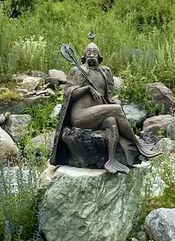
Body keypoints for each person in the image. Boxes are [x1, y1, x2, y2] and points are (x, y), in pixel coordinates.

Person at [50, 41, 156, 173]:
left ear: (99, 55)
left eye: (94, 52)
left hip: (96, 116)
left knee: (111, 120)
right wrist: (87, 88)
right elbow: (69, 93)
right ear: (84, 56)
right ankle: (138, 143)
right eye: (88, 53)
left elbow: (108, 97)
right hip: (80, 116)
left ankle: (111, 160)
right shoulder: (77, 71)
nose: (91, 55)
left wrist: (114, 101)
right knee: (115, 110)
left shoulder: (105, 72)